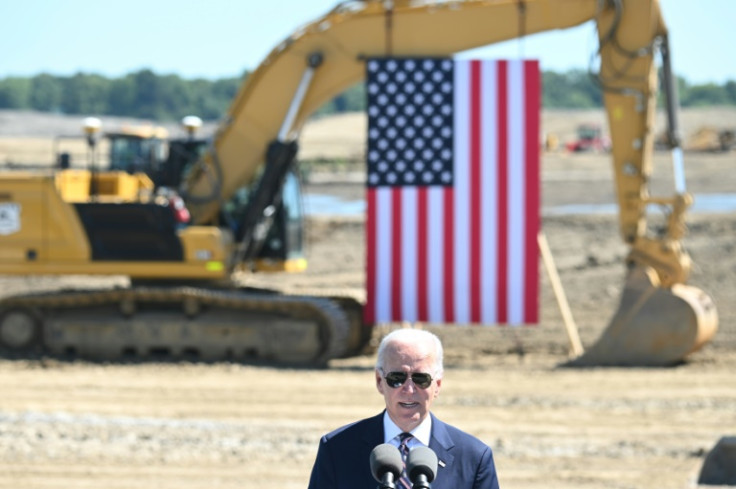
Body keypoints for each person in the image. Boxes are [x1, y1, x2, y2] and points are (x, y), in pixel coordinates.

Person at [307, 328, 500, 489]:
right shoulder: (336, 449)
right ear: (379, 381)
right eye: (396, 378)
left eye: (420, 379)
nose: (408, 390)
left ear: (438, 385)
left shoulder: (474, 458)